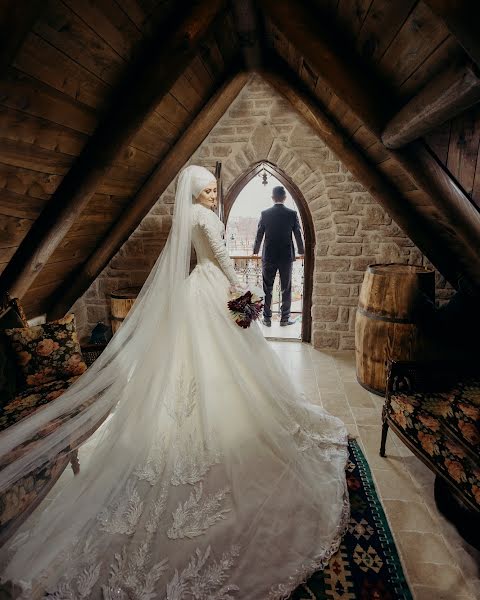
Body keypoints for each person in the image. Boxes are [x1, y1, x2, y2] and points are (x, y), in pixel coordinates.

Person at [0, 166, 348, 599]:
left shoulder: (191, 216)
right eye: (207, 188)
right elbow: (221, 256)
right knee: (222, 361)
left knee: (201, 360)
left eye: (213, 188)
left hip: (198, 288)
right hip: (215, 288)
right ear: (195, 191)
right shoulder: (203, 218)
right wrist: (243, 289)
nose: (212, 193)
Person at [253, 185, 305, 327]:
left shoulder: (265, 214)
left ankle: (267, 319)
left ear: (273, 197)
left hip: (269, 255)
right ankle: (284, 319)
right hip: (286, 257)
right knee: (286, 288)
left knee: (267, 288)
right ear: (285, 198)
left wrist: (255, 251)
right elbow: (298, 235)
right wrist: (302, 251)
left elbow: (259, 234)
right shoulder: (292, 214)